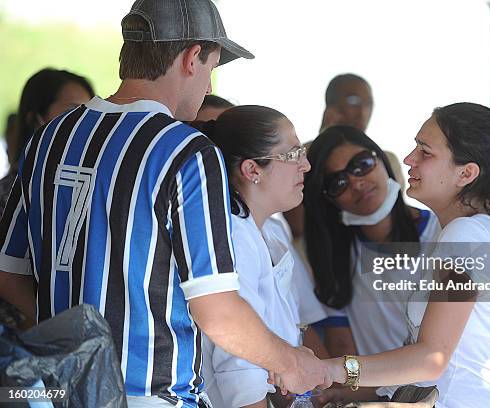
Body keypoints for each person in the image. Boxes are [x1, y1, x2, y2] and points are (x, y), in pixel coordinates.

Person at [0, 1, 328, 407]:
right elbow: (217, 311)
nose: (209, 86)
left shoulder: (50, 137)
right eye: (211, 69)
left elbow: (9, 272)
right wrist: (292, 361)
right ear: (192, 58)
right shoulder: (185, 150)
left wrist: (76, 351)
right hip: (152, 396)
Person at [277, 102, 490, 408]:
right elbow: (449, 365)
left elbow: (432, 358)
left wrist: (332, 368)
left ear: (466, 173)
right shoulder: (483, 235)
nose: (408, 159)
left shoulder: (465, 238)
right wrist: (353, 389)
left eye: (425, 152)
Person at [301, 125, 440, 402]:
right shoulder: (333, 257)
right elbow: (342, 346)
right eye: (337, 182)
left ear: (380, 159)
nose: (356, 182)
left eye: (361, 164)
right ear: (327, 199)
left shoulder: (443, 232)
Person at [192, 105, 311, 407]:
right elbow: (240, 372)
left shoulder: (268, 229)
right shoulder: (233, 238)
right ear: (252, 170)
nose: (306, 165)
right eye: (293, 155)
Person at [0, 68, 95, 211]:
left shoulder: (91, 188)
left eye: (89, 113)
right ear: (35, 120)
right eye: (71, 111)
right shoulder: (8, 197)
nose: (83, 122)